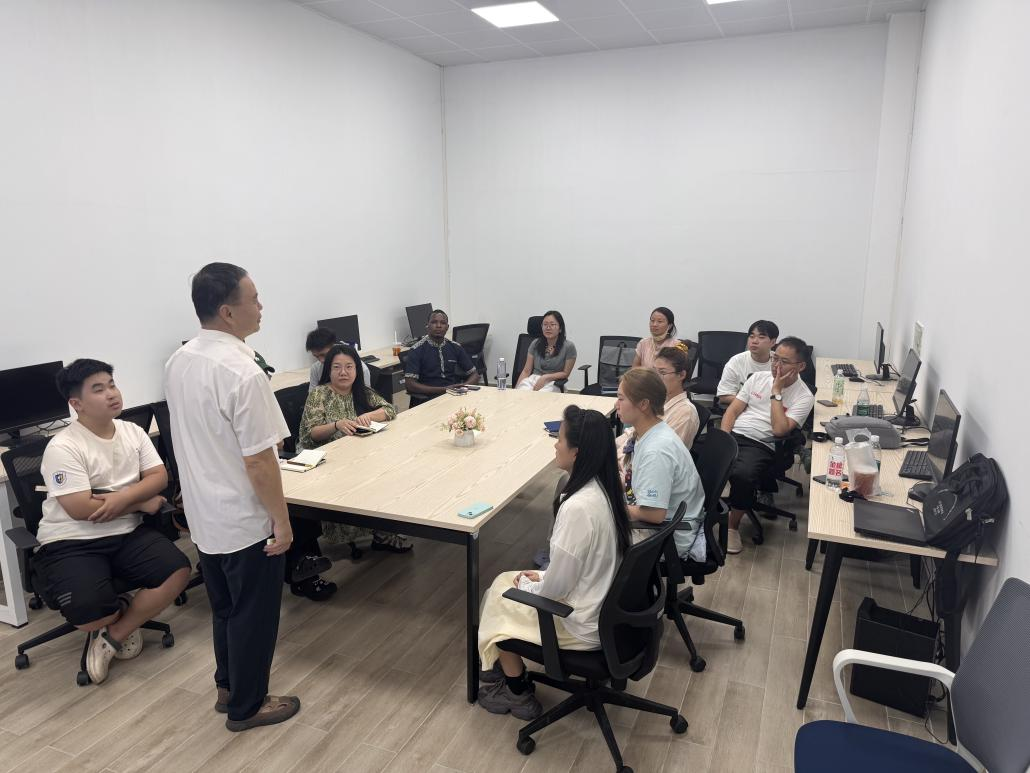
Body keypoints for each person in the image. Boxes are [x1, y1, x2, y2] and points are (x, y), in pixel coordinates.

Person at [164, 262, 301, 732]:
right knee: (254, 616)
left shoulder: (179, 361)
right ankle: (248, 706)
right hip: (244, 520)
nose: (261, 306)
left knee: (224, 609)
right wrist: (282, 522)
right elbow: (260, 461)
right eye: (254, 298)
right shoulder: (243, 372)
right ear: (227, 311)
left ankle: (227, 687)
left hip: (204, 516)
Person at [33, 359, 191, 685]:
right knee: (89, 616)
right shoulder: (63, 446)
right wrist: (139, 501)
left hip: (126, 531)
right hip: (71, 540)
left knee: (178, 570)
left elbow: (159, 477)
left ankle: (114, 635)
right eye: (98, 389)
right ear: (76, 404)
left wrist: (120, 498)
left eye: (112, 385)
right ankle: (110, 613)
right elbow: (81, 509)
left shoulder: (133, 431)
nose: (111, 394)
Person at [477, 405, 631, 720]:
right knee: (509, 579)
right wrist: (540, 578)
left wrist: (532, 585)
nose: (555, 445)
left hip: (580, 622)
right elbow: (571, 569)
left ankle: (516, 691)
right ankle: (498, 664)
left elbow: (555, 590)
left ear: (576, 452)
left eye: (559, 438)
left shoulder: (577, 508)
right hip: (604, 608)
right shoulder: (604, 488)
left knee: (498, 595)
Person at [299, 343, 411, 556]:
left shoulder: (361, 391)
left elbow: (389, 409)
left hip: (359, 453)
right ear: (328, 370)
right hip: (327, 460)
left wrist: (369, 415)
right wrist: (336, 425)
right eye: (337, 367)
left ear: (357, 370)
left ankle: (382, 530)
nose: (343, 372)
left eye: (349, 367)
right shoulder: (319, 394)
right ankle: (377, 531)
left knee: (390, 472)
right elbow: (312, 433)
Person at [719, 336, 814, 555]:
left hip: (762, 443)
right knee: (695, 457)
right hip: (734, 434)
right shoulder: (757, 378)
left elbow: (780, 430)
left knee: (743, 476)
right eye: (775, 358)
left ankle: (732, 527)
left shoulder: (804, 396)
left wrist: (776, 392)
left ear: (800, 366)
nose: (776, 365)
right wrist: (723, 440)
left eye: (784, 362)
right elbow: (732, 411)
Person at [616, 368, 707, 562]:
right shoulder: (650, 431)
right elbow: (636, 480)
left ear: (643, 404)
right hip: (658, 525)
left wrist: (613, 506)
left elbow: (655, 515)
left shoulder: (656, 451)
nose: (617, 405)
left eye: (621, 399)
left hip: (665, 538)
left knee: (591, 531)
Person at [616, 345, 700, 457]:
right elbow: (632, 433)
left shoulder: (685, 413)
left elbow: (664, 452)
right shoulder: (659, 401)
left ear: (681, 375)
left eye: (662, 373)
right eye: (654, 372)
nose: (656, 378)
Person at [403, 309, 479, 406]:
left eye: (443, 323)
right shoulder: (417, 350)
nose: (438, 326)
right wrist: (444, 390)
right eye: (434, 322)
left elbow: (475, 375)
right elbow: (410, 385)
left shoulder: (455, 347)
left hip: (453, 395)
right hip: (428, 399)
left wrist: (463, 386)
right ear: (427, 326)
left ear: (447, 327)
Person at [716, 320, 779, 406]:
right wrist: (756, 403)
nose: (754, 341)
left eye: (761, 337)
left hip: (772, 409)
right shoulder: (736, 361)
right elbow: (724, 396)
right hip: (743, 409)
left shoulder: (780, 363)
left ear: (773, 342)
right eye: (751, 336)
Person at [515, 310, 577, 392]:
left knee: (541, 397)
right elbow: (526, 371)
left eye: (552, 324)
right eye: (545, 324)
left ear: (560, 328)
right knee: (522, 394)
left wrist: (545, 377)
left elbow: (566, 373)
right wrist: (515, 391)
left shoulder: (569, 346)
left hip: (554, 382)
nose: (548, 328)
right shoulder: (535, 343)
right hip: (533, 380)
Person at [305, 326, 371, 394]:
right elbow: (312, 394)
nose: (321, 360)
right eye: (316, 356)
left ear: (334, 346)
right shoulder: (315, 368)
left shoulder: (362, 369)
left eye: (324, 355)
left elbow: (365, 396)